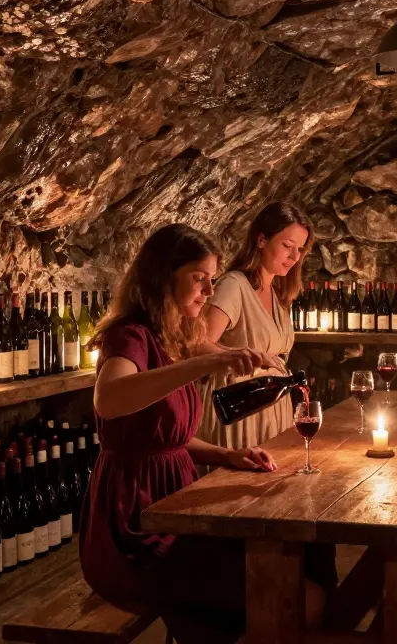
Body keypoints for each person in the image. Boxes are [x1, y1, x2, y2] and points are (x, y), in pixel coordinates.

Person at [79, 223, 309, 641]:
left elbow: (169, 438)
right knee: (258, 588)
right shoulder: (130, 335)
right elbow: (108, 400)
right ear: (164, 275)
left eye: (211, 280)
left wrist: (227, 456)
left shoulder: (169, 337)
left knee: (283, 567)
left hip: (177, 502)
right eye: (198, 278)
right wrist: (199, 364)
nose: (207, 291)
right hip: (133, 522)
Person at [198, 202, 313, 450]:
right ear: (261, 240)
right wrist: (237, 357)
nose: (294, 257)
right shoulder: (234, 286)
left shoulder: (278, 293)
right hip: (240, 408)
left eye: (300, 249)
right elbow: (197, 345)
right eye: (287, 246)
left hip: (271, 407)